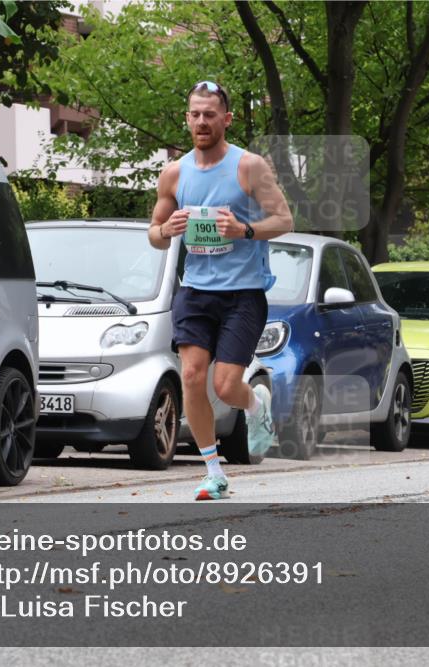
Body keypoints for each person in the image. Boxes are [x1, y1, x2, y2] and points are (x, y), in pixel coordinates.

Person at [149, 80, 293, 500]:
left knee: (227, 386)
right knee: (192, 376)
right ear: (187, 118)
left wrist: (245, 229)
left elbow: (284, 220)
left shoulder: (249, 166)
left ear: (226, 119)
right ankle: (213, 471)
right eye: (195, 114)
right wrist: (166, 228)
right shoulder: (174, 173)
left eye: (209, 114)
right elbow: (154, 235)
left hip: (243, 293)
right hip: (194, 290)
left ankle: (256, 404)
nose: (201, 122)